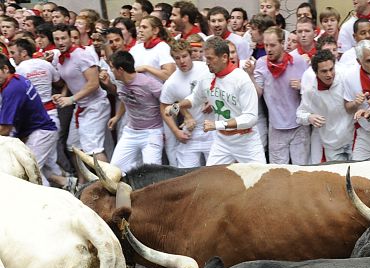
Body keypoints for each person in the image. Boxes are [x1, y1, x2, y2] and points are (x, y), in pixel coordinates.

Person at [167, 36, 265, 164]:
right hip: (222, 143)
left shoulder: (242, 79)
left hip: (246, 142)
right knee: (211, 181)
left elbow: (250, 118)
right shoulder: (206, 77)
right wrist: (176, 107)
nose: (206, 62)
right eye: (205, 57)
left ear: (224, 57)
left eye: (210, 58)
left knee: (259, 180)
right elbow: (195, 99)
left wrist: (216, 125)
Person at [10, 37, 68, 187]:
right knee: (49, 164)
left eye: (13, 52)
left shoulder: (19, 71)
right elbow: (59, 81)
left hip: (39, 122)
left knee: (32, 167)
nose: (12, 56)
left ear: (23, 53)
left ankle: (60, 191)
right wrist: (61, 93)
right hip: (51, 116)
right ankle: (69, 185)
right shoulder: (45, 64)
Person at [51, 23, 110, 162]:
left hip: (96, 106)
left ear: (71, 38)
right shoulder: (59, 57)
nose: (60, 42)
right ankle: (84, 182)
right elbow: (70, 80)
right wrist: (63, 95)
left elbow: (94, 83)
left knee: (93, 148)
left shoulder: (82, 55)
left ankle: (111, 182)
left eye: (63, 38)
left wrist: (71, 99)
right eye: (57, 39)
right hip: (81, 107)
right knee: (74, 146)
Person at [252, 26, 308, 164]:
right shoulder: (261, 63)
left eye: (272, 45)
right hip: (276, 127)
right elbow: (256, 94)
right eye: (266, 45)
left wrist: (302, 86)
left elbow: (312, 90)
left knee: (302, 171)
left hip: (299, 125)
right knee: (278, 173)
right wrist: (249, 74)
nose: (268, 49)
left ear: (283, 44)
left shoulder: (299, 61)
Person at [0, 53, 59, 184]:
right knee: (43, 170)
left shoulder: (12, 89)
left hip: (40, 132)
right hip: (38, 131)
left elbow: (5, 129)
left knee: (29, 173)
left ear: (5, 69)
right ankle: (68, 183)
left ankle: (47, 201)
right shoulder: (17, 79)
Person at [106, 50, 163, 172]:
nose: (111, 71)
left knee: (152, 175)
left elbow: (169, 101)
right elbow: (124, 98)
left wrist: (178, 120)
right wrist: (117, 117)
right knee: (114, 170)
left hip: (151, 133)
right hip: (131, 132)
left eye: (112, 68)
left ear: (120, 70)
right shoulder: (119, 82)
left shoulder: (149, 83)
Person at [159, 40, 212, 168]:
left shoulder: (206, 68)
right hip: (190, 131)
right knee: (186, 174)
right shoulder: (171, 83)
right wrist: (176, 131)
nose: (182, 61)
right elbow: (164, 108)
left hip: (212, 129)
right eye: (177, 58)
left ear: (190, 55)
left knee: (216, 173)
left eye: (184, 56)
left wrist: (213, 102)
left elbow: (222, 85)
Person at [296, 49, 353, 162]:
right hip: (331, 145)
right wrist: (309, 117)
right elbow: (299, 115)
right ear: (316, 72)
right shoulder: (310, 91)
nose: (329, 74)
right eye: (324, 71)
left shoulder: (345, 77)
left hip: (352, 138)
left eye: (331, 69)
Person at [129, 15, 175, 82]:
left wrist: (146, 68)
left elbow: (169, 75)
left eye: (144, 27)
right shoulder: (135, 48)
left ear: (155, 30)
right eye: (140, 27)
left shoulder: (163, 47)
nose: (140, 30)